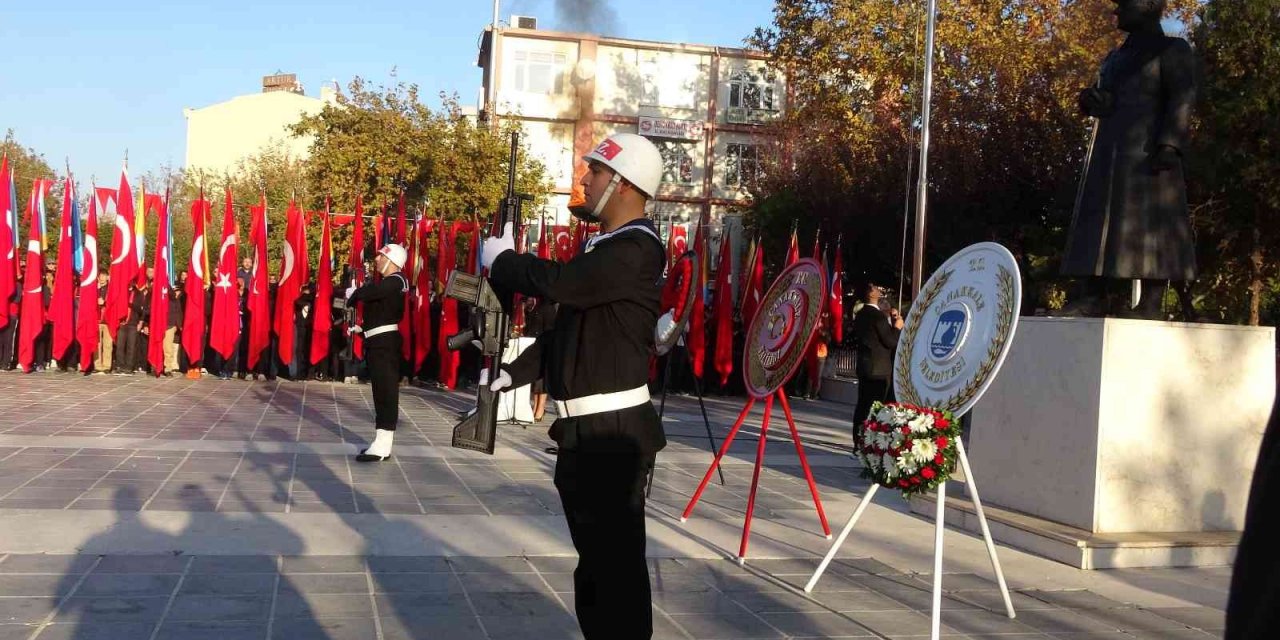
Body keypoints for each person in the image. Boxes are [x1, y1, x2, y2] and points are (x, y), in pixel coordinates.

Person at [481, 132, 666, 639]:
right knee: (595, 567)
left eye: (596, 173)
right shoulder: (605, 249)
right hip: (586, 430)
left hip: (614, 433)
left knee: (615, 571)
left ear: (624, 184)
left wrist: (504, 261)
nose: (585, 180)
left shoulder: (636, 248)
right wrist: (512, 374)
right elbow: (567, 332)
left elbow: (560, 284)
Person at [1061, 0, 1196, 318]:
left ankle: (1150, 303)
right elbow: (1105, 98)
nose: (1116, 11)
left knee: (1153, 225)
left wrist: (1170, 144)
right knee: (1097, 221)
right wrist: (1091, 99)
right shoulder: (1115, 58)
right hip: (1109, 151)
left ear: (1147, 7)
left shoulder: (1172, 50)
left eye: (1124, 5)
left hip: (1148, 152)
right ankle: (1093, 296)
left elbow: (1182, 96)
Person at [345, 243, 409, 462]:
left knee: (386, 392)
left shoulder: (398, 280)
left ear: (392, 260)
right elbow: (380, 308)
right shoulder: (387, 284)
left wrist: (357, 294)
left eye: (381, 256)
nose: (377, 260)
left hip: (386, 344)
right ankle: (380, 442)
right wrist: (363, 329)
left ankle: (383, 446)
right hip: (378, 342)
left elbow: (376, 291)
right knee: (380, 392)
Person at [852, 281, 902, 433]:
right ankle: (870, 441)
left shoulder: (860, 315)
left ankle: (858, 440)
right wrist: (897, 328)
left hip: (864, 366)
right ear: (870, 293)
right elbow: (890, 341)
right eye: (874, 287)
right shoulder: (877, 316)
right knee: (876, 408)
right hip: (878, 370)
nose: (878, 288)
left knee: (862, 405)